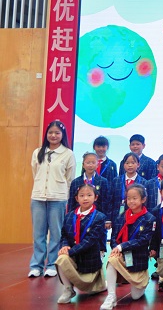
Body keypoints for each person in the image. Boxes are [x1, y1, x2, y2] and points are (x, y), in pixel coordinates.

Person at [29, 120, 76, 278]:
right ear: (46, 134)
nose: (53, 135)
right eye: (50, 132)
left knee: (56, 233)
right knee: (38, 234)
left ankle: (52, 264)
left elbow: (69, 179)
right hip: (38, 197)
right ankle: (36, 266)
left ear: (62, 135)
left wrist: (62, 193)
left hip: (58, 198)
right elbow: (35, 173)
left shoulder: (68, 154)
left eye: (57, 133)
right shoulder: (38, 152)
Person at [101, 183, 156, 309]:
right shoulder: (121, 217)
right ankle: (111, 296)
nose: (131, 201)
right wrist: (116, 249)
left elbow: (143, 240)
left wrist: (121, 247)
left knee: (136, 296)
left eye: (135, 198)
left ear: (143, 199)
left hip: (137, 258)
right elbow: (114, 237)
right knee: (112, 259)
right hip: (122, 255)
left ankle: (143, 280)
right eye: (128, 198)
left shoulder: (149, 219)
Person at [55, 184, 107, 303]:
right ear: (76, 198)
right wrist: (64, 246)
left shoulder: (100, 217)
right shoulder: (69, 216)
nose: (85, 198)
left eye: (89, 195)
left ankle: (101, 285)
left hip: (89, 261)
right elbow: (64, 235)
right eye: (82, 195)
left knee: (94, 291)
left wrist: (70, 252)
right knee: (61, 258)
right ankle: (68, 290)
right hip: (73, 257)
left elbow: (89, 241)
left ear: (95, 197)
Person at [68, 153, 110, 218]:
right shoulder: (75, 182)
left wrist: (106, 218)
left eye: (93, 163)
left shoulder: (103, 181)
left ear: (97, 165)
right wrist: (70, 216)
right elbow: (71, 202)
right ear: (83, 165)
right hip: (78, 215)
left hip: (97, 216)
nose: (90, 165)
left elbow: (105, 201)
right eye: (88, 163)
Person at [108, 153, 146, 226]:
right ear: (123, 165)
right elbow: (110, 200)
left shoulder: (143, 182)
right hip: (117, 216)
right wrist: (108, 219)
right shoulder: (116, 180)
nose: (130, 165)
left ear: (138, 164)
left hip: (136, 216)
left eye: (133, 163)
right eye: (127, 163)